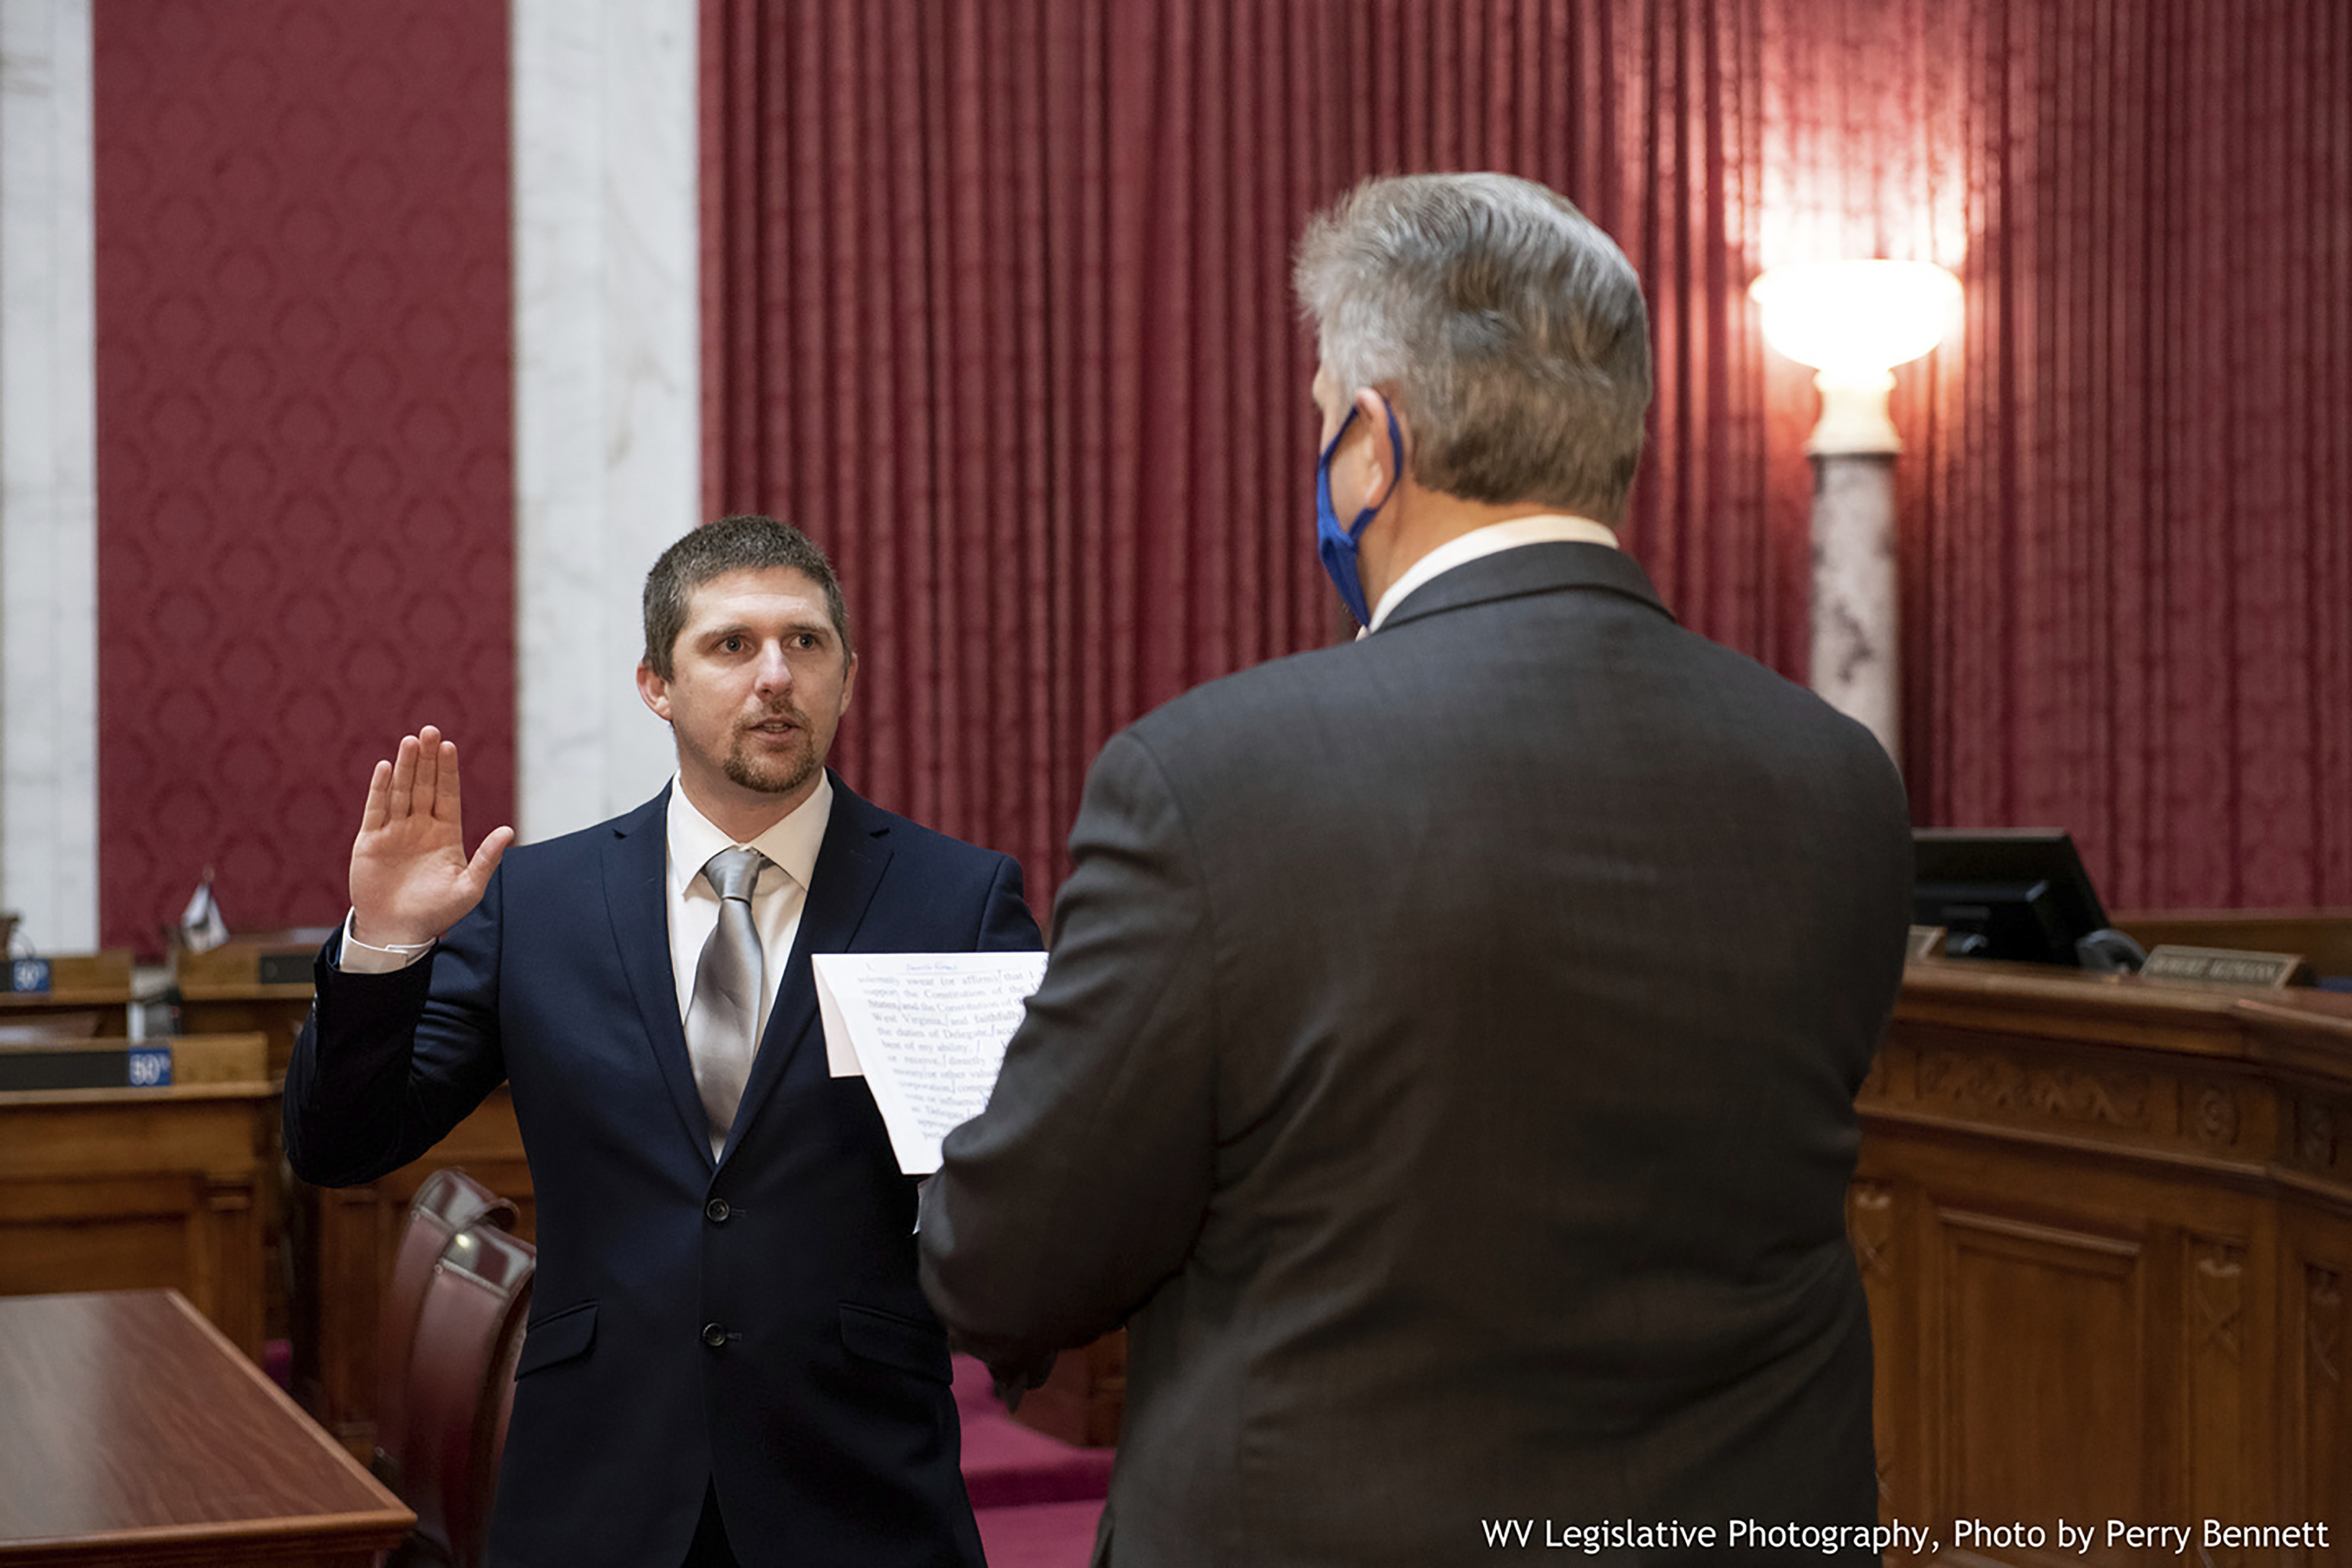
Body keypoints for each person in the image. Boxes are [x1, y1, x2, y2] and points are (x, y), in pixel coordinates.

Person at [916, 173, 1914, 1565]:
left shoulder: (1212, 780)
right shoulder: (1841, 781)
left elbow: (1006, 1261)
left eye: (1326, 415)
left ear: (1372, 448)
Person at [285, 514, 1038, 1568]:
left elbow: (1032, 1182)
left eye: (806, 644)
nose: (775, 675)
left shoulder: (956, 898)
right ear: (657, 685)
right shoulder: (540, 905)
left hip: (859, 1487)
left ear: (848, 678)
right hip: (598, 1484)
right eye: (732, 645)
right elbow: (338, 1146)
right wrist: (387, 946)